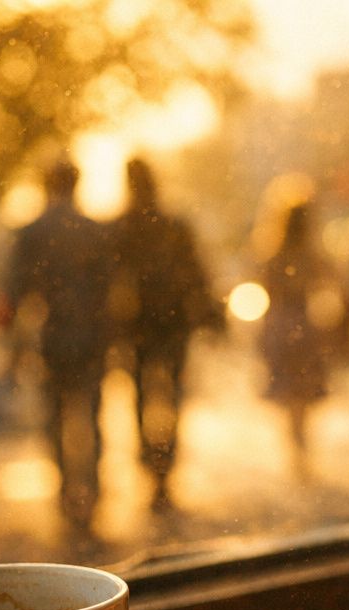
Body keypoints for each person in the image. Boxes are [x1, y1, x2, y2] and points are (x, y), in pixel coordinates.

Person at [7, 160, 113, 531]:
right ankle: (92, 490)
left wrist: (16, 348)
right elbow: (111, 289)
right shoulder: (95, 231)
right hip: (92, 336)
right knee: (92, 414)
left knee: (55, 415)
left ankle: (66, 490)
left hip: (54, 336)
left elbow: (18, 291)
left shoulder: (33, 232)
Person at [110, 158, 220, 511]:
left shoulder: (123, 227)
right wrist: (207, 312)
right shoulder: (173, 224)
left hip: (139, 324)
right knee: (172, 394)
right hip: (172, 322)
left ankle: (150, 461)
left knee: (142, 395)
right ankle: (164, 468)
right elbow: (196, 273)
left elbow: (112, 279)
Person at [257, 201, 339, 468]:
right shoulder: (312, 254)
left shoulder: (272, 253)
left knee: (289, 389)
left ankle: (295, 443)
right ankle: (300, 442)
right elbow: (330, 281)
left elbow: (264, 288)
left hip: (280, 324)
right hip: (305, 325)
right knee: (302, 389)